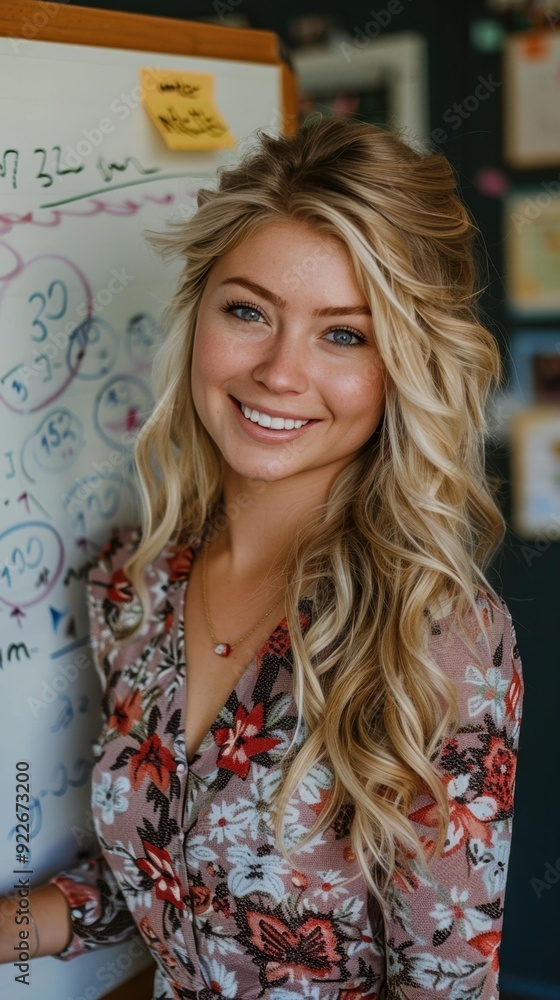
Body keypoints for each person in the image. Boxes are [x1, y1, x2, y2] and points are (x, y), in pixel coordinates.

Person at [0, 114, 523, 999]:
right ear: (198, 313)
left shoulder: (440, 639)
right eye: (249, 311)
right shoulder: (135, 581)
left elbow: (445, 986)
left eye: (344, 334)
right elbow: (157, 890)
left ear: (406, 365)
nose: (280, 372)